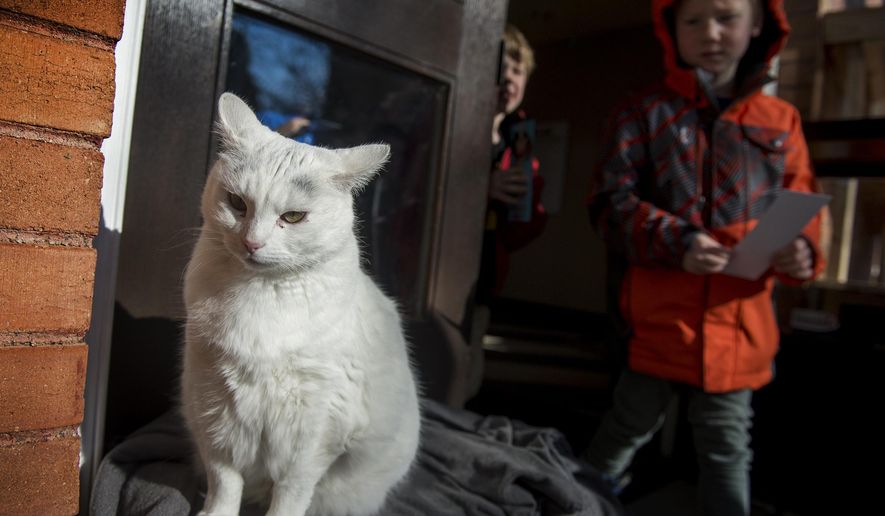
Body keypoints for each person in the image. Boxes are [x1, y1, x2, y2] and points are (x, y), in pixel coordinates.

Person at [583, 1, 825, 515]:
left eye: (726, 16)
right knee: (623, 431)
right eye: (692, 19)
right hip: (656, 322)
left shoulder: (782, 121)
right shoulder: (643, 112)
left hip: (739, 327)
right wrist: (678, 241)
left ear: (758, 22)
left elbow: (803, 203)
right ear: (670, 28)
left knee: (726, 449)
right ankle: (571, 504)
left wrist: (801, 251)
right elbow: (609, 204)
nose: (709, 33)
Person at [477, 24, 548, 303]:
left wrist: (530, 198)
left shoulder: (518, 143)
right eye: (500, 68)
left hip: (485, 280)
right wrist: (483, 189)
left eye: (517, 71)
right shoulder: (456, 128)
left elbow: (520, 234)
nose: (508, 79)